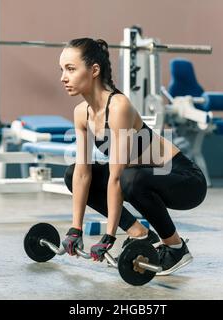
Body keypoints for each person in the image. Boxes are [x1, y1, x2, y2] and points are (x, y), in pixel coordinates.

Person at [59, 38, 207, 275]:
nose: (63, 77)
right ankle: (140, 233)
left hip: (185, 181)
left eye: (71, 69)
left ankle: (176, 247)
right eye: (62, 70)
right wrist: (75, 229)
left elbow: (117, 178)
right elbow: (82, 173)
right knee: (71, 173)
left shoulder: (118, 107)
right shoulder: (81, 113)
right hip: (139, 176)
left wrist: (109, 236)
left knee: (128, 177)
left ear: (94, 70)